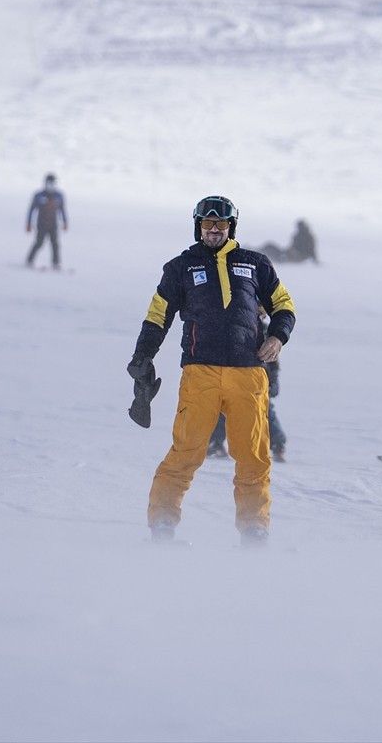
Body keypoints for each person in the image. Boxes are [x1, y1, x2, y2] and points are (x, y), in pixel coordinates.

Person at [128, 196, 296, 547]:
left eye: (221, 224)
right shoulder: (180, 268)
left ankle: (254, 530)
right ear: (198, 226)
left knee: (253, 457)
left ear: (231, 226)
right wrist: (143, 355)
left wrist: (279, 337)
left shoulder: (255, 264)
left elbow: (283, 305)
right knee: (186, 451)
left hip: (248, 375)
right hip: (199, 374)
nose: (215, 230)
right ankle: (161, 524)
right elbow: (158, 315)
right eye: (208, 224)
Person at [207, 312, 287, 462]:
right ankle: (215, 442)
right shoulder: (234, 327)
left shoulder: (265, 332)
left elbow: (273, 361)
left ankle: (277, 444)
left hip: (260, 379)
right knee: (223, 408)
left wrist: (274, 380)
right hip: (236, 375)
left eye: (262, 313)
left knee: (265, 411)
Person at [25, 173, 68, 270]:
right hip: (42, 224)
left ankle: (56, 263)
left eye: (53, 184)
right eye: (49, 183)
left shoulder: (59, 196)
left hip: (53, 224)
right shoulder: (39, 195)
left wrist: (65, 222)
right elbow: (31, 210)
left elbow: (62, 210)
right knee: (39, 242)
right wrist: (29, 223)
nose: (51, 186)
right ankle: (29, 260)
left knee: (55, 244)